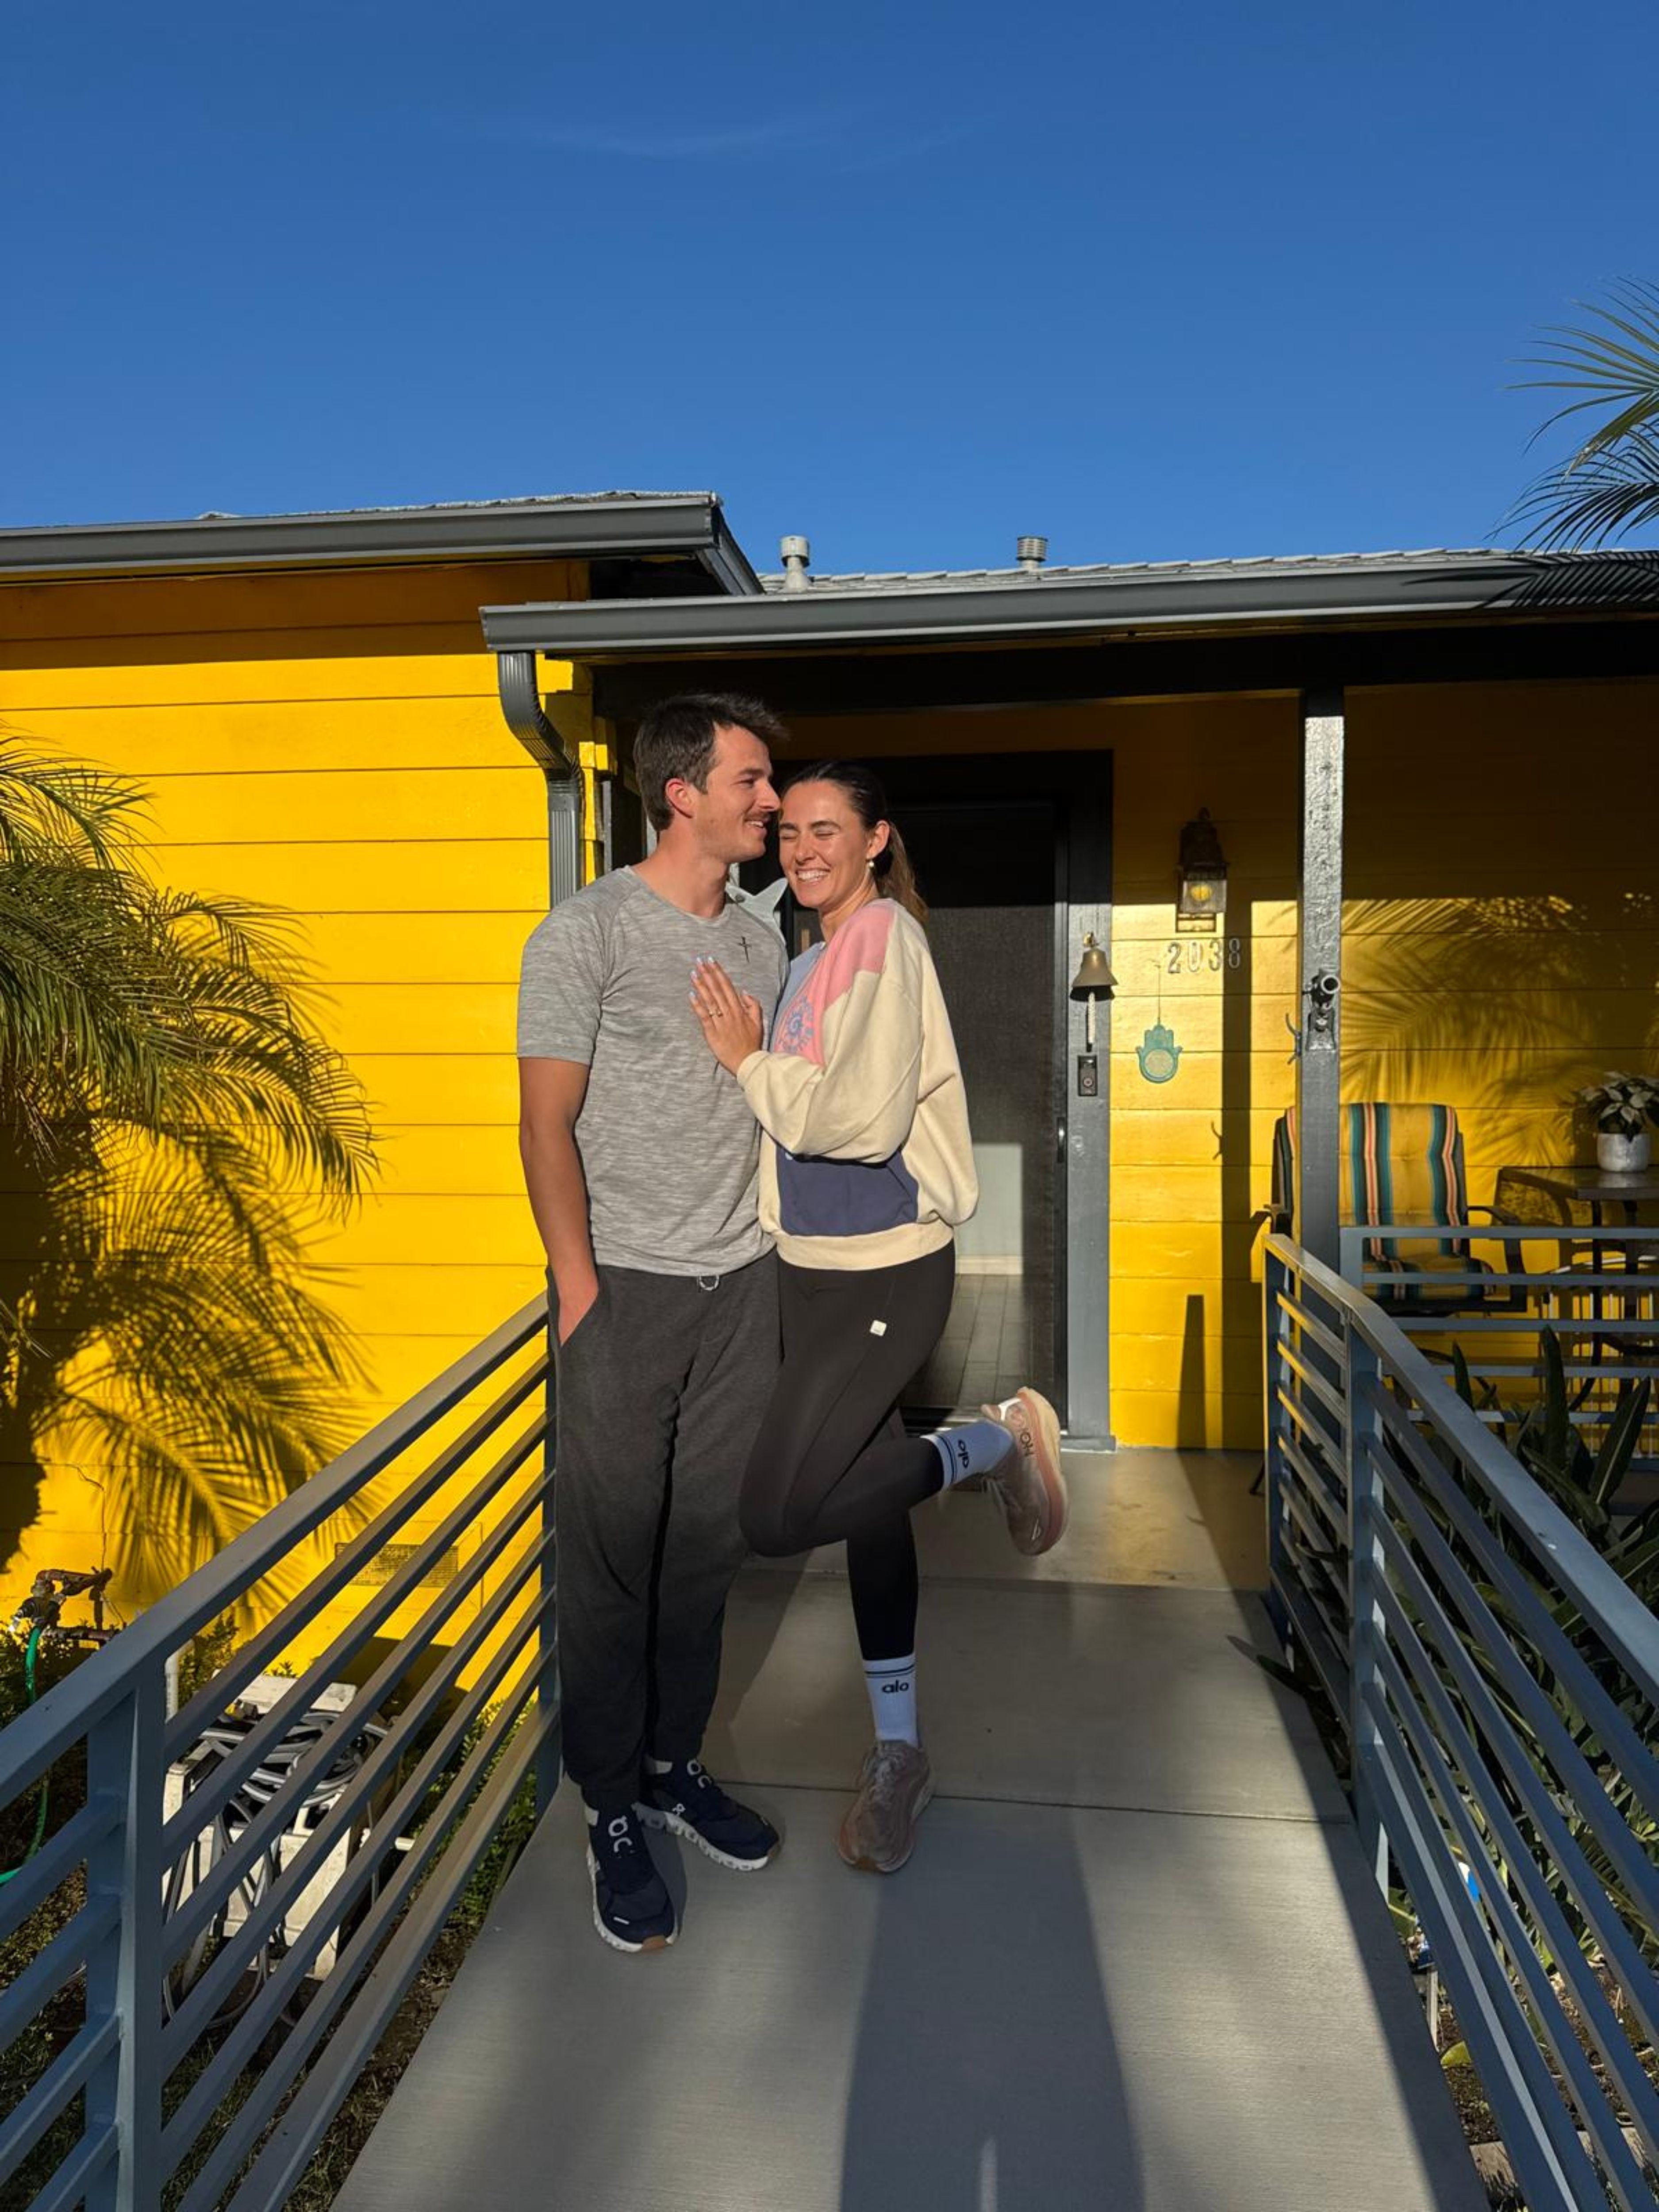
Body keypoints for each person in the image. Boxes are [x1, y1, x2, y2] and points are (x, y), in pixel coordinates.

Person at [688, 760, 1067, 1877]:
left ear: (875, 840)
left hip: (888, 1269)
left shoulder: (884, 940)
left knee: (776, 1510)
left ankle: (993, 1441)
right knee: (862, 1508)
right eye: (790, 830)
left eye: (825, 830)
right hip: (810, 1267)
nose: (802, 847)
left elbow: (853, 1120)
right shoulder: (810, 956)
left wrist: (747, 1060)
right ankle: (898, 1753)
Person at [516, 694, 791, 1954]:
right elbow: (543, 1122)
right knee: (611, 1566)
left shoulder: (758, 945)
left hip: (739, 1288)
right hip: (620, 1291)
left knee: (703, 1557)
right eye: (750, 779)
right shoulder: (582, 934)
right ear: (680, 792)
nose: (770, 802)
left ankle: (675, 1766)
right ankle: (608, 1807)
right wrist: (578, 1292)